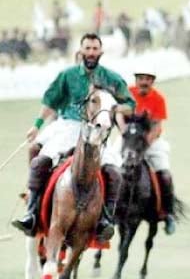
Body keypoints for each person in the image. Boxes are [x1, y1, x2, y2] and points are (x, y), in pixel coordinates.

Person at [13, 33, 134, 240]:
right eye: (88, 48)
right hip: (68, 126)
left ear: (101, 52)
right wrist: (37, 125)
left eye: (95, 49)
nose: (91, 52)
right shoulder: (67, 75)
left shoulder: (111, 78)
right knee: (39, 161)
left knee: (114, 172)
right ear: (81, 51)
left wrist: (114, 108)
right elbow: (50, 102)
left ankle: (106, 219)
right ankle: (31, 213)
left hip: (96, 131)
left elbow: (130, 105)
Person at [128, 67, 178, 234]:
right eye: (141, 78)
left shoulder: (158, 99)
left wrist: (143, 145)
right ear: (136, 80)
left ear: (152, 81)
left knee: (165, 174)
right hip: (128, 140)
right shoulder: (127, 94)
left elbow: (156, 128)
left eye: (147, 79)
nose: (144, 82)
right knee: (110, 166)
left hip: (151, 142)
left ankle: (168, 213)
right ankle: (104, 212)